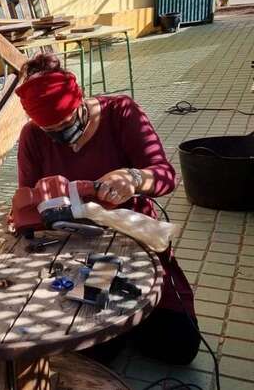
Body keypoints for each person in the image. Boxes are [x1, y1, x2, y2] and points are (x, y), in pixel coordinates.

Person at [14, 53, 199, 365]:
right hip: (76, 251)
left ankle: (123, 322)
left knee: (179, 346)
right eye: (50, 129)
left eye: (67, 122)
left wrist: (134, 178)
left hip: (133, 242)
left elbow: (166, 175)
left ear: (81, 99)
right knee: (93, 350)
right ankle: (113, 326)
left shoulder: (121, 113)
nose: (62, 135)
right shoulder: (32, 136)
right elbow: (27, 203)